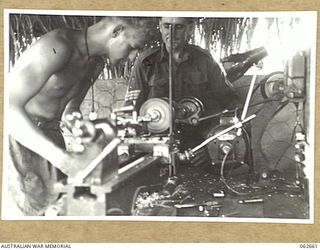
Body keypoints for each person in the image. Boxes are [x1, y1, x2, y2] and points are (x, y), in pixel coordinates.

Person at [7, 16, 149, 216]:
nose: (134, 57)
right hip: (18, 137)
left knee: (54, 210)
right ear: (116, 32)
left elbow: (69, 112)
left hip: (51, 135)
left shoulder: (96, 64)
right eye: (133, 46)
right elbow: (8, 108)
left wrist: (94, 139)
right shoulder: (58, 46)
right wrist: (62, 159)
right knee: (27, 216)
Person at [128, 17, 238, 168]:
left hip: (199, 151)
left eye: (178, 27)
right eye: (167, 26)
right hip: (158, 151)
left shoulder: (205, 60)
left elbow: (231, 106)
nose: (172, 33)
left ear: (190, 28)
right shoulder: (146, 62)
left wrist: (211, 147)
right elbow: (132, 111)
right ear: (160, 26)